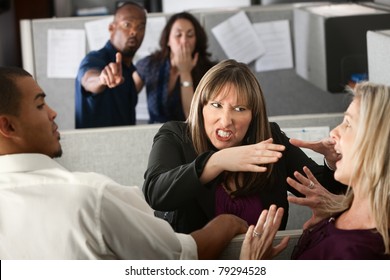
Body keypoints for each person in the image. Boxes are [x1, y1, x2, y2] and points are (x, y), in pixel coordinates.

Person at [0, 66, 288, 260]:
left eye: (240, 108)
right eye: (40, 105)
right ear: (7, 126)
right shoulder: (92, 197)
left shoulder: (269, 136)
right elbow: (177, 256)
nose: (52, 113)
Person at [142, 59, 346, 234]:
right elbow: (156, 193)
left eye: (239, 109)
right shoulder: (176, 136)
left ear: (253, 116)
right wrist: (217, 161)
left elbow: (318, 188)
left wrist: (332, 164)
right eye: (216, 105)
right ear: (201, 106)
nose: (225, 121)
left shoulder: (270, 138)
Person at [281, 81, 390, 259]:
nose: (334, 132)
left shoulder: (357, 253)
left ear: (378, 145)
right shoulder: (343, 212)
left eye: (348, 124)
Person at [133, 12, 216, 123]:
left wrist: (185, 73)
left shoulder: (210, 72)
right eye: (178, 35)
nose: (184, 41)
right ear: (168, 40)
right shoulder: (150, 64)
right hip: (155, 134)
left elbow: (192, 117)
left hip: (189, 136)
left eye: (190, 35)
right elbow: (125, 98)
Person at [75, 2, 146, 128]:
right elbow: (88, 80)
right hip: (96, 146)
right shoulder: (95, 59)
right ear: (111, 28)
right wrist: (102, 79)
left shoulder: (130, 70)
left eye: (141, 27)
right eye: (127, 25)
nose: (134, 32)